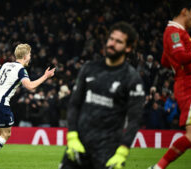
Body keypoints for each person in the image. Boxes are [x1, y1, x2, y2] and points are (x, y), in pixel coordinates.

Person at [58, 22, 145, 169]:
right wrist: (72, 136)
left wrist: (122, 152)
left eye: (119, 41)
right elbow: (74, 104)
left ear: (128, 48)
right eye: (111, 39)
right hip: (79, 148)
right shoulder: (89, 68)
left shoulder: (132, 78)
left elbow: (134, 120)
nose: (112, 44)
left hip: (107, 152)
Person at [0, 43, 55, 168]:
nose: (30, 57)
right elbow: (30, 86)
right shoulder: (21, 70)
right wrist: (45, 76)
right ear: (24, 56)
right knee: (6, 134)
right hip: (1, 103)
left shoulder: (6, 65)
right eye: (30, 54)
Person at [148, 1, 191, 169]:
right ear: (184, 11)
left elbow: (165, 60)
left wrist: (171, 57)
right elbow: (181, 58)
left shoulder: (177, 33)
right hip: (189, 88)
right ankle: (157, 167)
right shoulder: (173, 32)